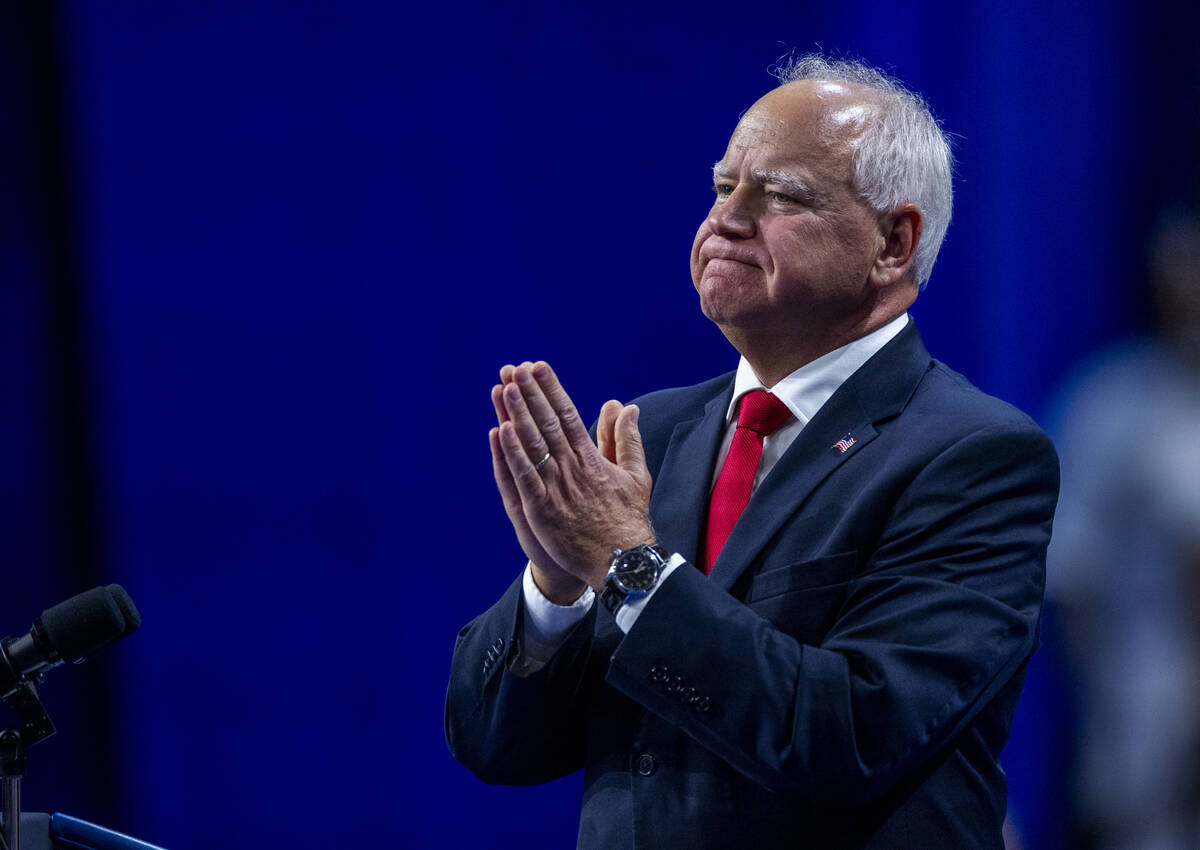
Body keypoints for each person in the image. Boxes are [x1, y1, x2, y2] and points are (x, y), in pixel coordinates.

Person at [445, 54, 1059, 849]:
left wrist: (628, 566)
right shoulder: (654, 435)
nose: (725, 220)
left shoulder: (975, 456)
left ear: (893, 243)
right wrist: (556, 585)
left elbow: (852, 734)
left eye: (781, 196)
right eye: (722, 187)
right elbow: (494, 744)